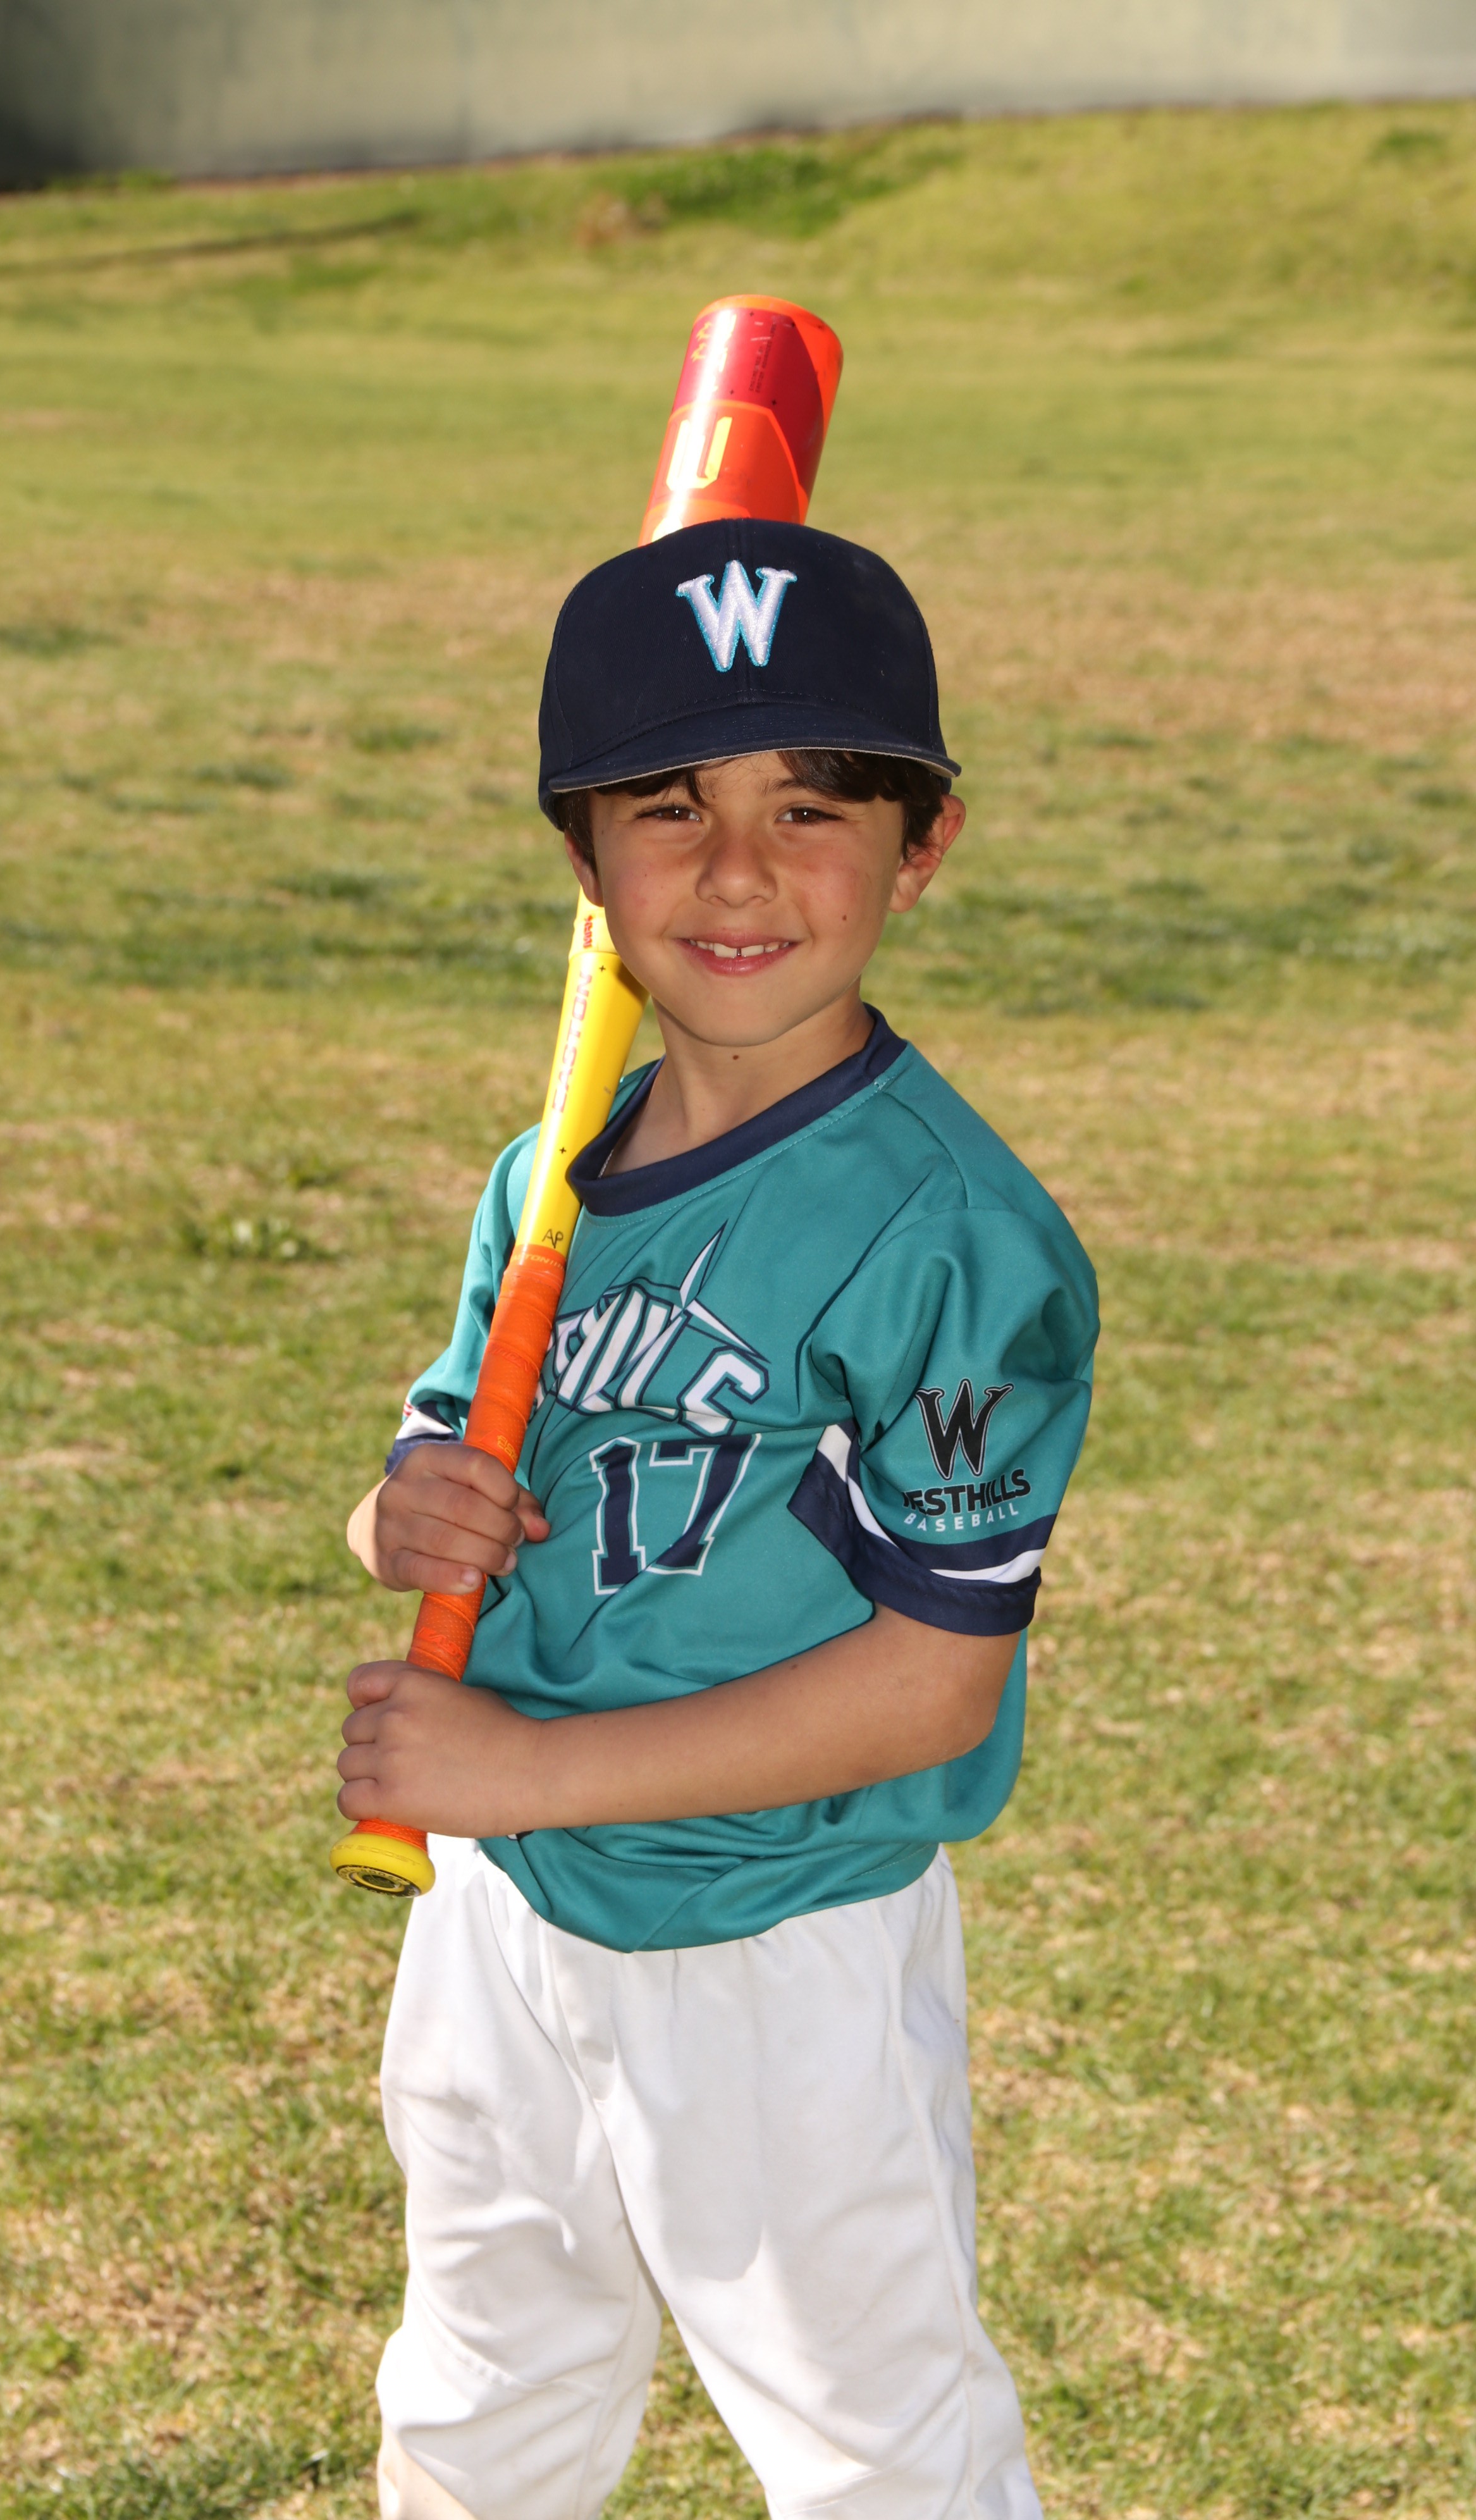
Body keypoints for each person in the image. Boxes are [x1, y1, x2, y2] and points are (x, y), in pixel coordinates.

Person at [337, 517, 1099, 2520]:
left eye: (810, 806)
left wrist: (524, 1767)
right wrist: (401, 1516)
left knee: (876, 2454)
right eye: (668, 806)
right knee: (479, 2396)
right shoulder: (552, 1172)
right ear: (583, 861)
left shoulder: (955, 1245)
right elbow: (444, 1455)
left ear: (921, 849)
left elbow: (933, 1685)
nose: (739, 870)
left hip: (776, 1938)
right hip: (509, 1918)